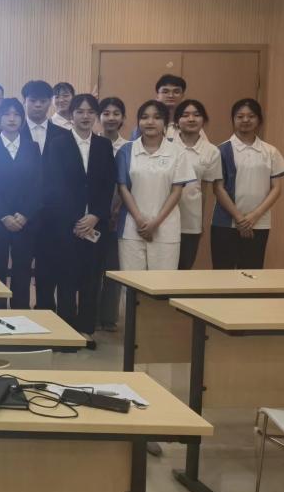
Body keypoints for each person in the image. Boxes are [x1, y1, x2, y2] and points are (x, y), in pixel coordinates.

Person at [51, 94, 116, 347]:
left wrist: (95, 215)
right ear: (72, 115)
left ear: (96, 115)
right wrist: (76, 221)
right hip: (66, 225)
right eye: (80, 111)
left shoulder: (103, 145)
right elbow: (55, 186)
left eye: (90, 112)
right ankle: (66, 328)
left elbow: (108, 184)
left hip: (95, 224)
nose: (85, 116)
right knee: (66, 277)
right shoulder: (58, 144)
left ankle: (86, 328)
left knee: (91, 279)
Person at [117, 100, 193, 271]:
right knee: (131, 282)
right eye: (144, 117)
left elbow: (176, 192)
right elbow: (123, 188)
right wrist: (139, 220)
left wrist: (155, 223)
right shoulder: (126, 151)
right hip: (131, 228)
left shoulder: (178, 152)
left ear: (165, 122)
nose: (150, 122)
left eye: (157, 117)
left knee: (162, 282)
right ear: (138, 122)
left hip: (166, 228)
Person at [0, 98, 41, 309]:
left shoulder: (32, 148)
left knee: (22, 269)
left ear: (22, 119)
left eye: (16, 114)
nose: (12, 119)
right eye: (6, 114)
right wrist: (4, 215)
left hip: (25, 220)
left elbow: (38, 184)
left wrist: (25, 214)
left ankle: (20, 312)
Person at [211, 98, 284, 270]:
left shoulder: (271, 151)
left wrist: (253, 216)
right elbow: (218, 188)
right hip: (225, 223)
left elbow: (277, 188)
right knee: (222, 275)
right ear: (233, 120)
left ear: (259, 119)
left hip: (259, 223)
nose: (245, 120)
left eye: (251, 116)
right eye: (240, 116)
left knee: (252, 274)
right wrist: (239, 218)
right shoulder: (221, 150)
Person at [22, 79, 74, 310]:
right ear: (25, 101)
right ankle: (20, 311)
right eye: (33, 100)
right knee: (21, 267)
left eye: (43, 101)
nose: (37, 105)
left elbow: (68, 176)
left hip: (53, 213)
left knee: (49, 265)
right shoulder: (14, 132)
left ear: (49, 103)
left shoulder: (64, 134)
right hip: (22, 212)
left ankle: (45, 309)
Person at [173, 99, 222, 269]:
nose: (191, 119)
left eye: (196, 115)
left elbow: (205, 190)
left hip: (191, 220)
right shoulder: (166, 146)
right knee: (163, 271)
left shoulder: (212, 151)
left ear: (204, 120)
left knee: (185, 267)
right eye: (185, 115)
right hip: (164, 218)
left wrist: (200, 220)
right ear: (177, 121)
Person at [96, 96, 129, 332]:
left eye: (116, 113)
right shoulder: (92, 143)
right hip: (93, 216)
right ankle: (89, 312)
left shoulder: (129, 148)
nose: (111, 118)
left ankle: (108, 316)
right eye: (106, 113)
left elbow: (129, 183)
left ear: (123, 118)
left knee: (112, 265)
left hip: (120, 216)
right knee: (90, 267)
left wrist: (117, 209)